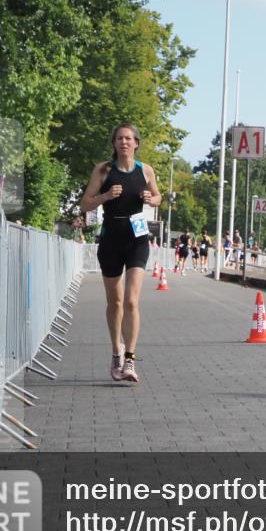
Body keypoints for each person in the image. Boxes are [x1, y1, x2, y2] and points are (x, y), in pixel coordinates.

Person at [80, 123, 162, 383]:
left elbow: (159, 197)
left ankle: (130, 359)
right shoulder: (104, 170)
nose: (124, 142)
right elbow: (85, 203)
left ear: (136, 143)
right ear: (114, 143)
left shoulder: (145, 170)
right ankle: (116, 351)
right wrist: (105, 196)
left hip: (137, 237)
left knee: (131, 301)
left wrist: (151, 199)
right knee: (115, 303)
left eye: (128, 138)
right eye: (119, 138)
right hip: (111, 238)